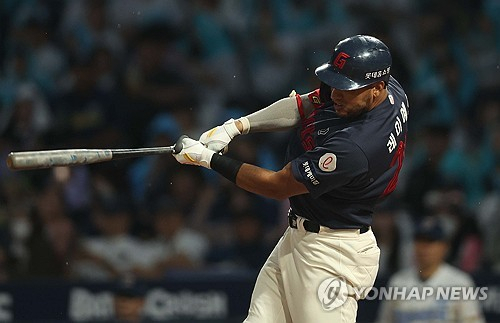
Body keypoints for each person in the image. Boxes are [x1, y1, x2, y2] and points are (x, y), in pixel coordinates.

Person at [173, 35, 409, 322]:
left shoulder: (356, 147)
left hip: (331, 254)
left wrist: (208, 160)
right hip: (300, 236)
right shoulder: (388, 89)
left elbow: (277, 185)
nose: (334, 94)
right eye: (336, 83)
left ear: (376, 89)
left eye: (346, 90)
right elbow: (304, 104)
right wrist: (236, 126)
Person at [376, 216, 485, 322]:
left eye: (430, 242)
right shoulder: (398, 281)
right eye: (420, 241)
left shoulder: (460, 282)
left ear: (444, 246)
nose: (424, 248)